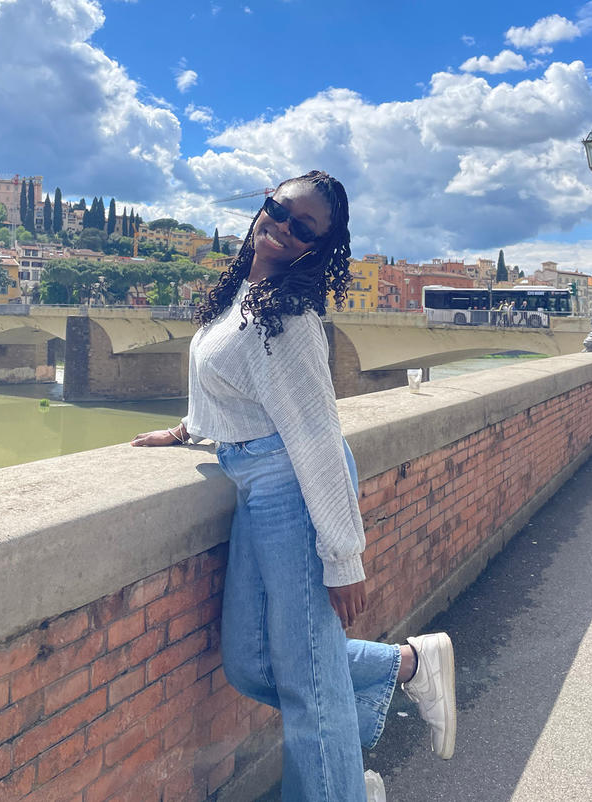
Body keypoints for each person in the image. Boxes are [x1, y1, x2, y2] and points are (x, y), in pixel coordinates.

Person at [133, 171, 456, 801]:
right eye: (279, 210)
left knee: (311, 690)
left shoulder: (289, 318)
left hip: (291, 491)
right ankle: (408, 666)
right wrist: (189, 429)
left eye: (302, 227)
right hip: (254, 478)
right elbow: (234, 390)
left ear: (318, 246)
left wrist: (342, 555)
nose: (282, 227)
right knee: (253, 663)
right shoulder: (242, 293)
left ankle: (339, 787)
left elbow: (315, 437)